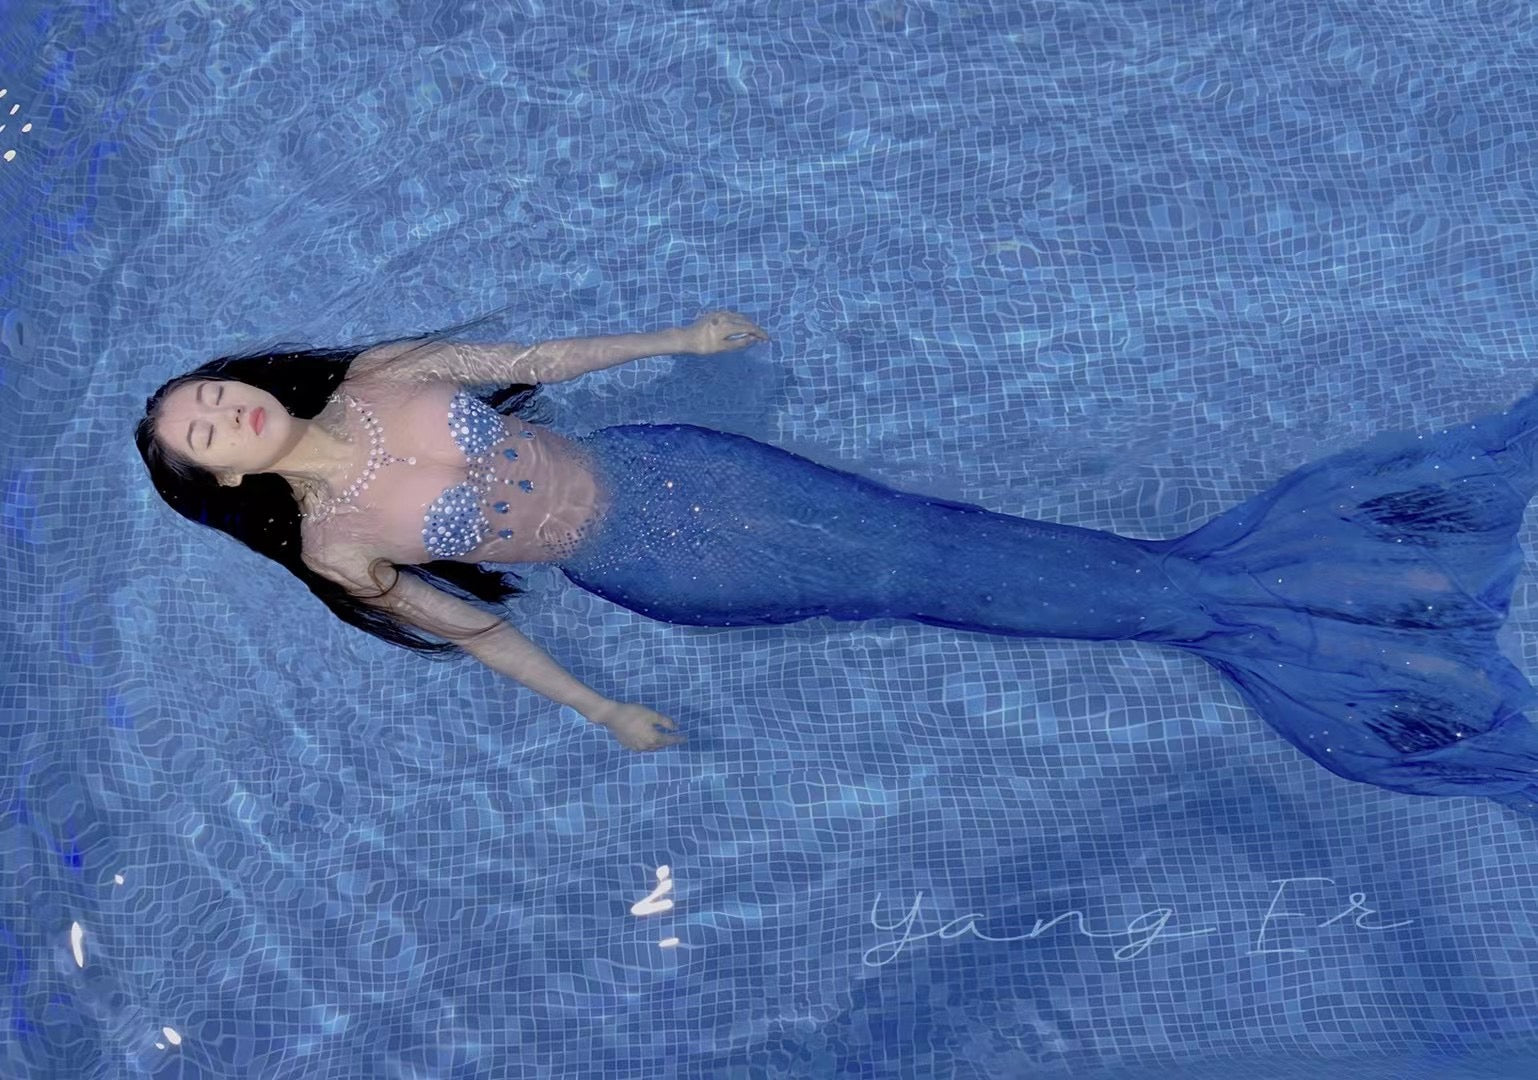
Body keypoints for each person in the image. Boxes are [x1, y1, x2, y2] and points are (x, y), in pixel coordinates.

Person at [135, 309, 1538, 819]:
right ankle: (1245, 606)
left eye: (208, 392)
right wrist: (600, 708)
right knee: (910, 581)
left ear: (240, 380)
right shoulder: (338, 547)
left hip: (681, 466)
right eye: (201, 435)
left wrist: (672, 340)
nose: (221, 411)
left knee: (932, 537)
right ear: (223, 480)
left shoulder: (384, 372)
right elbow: (480, 630)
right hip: (656, 566)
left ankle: (1233, 603)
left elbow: (526, 359)